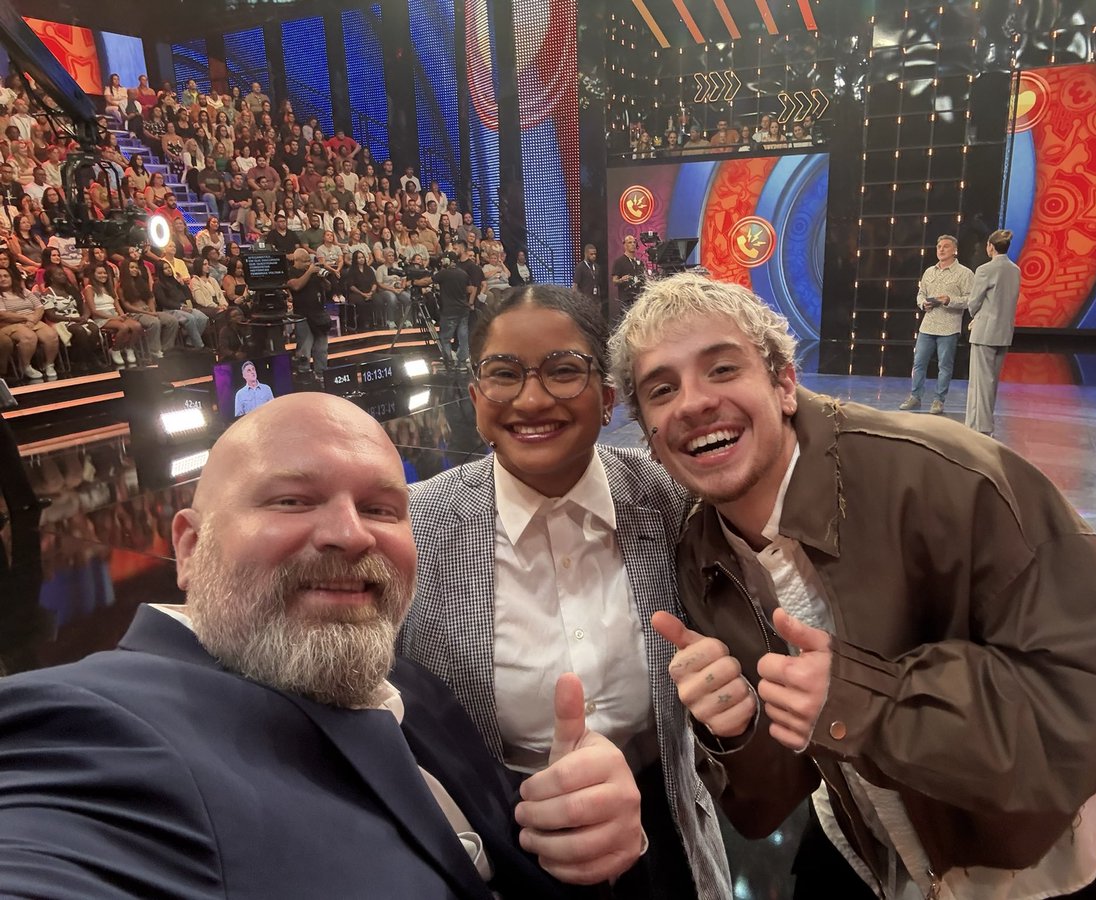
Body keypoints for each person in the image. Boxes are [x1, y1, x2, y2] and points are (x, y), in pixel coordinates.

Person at [607, 272, 1096, 900]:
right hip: (863, 846)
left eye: (721, 369)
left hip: (1020, 868)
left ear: (785, 384)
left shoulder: (952, 479)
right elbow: (769, 803)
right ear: (651, 438)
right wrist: (735, 730)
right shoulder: (702, 553)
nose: (691, 403)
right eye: (662, 389)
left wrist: (863, 702)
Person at [0, 393, 643, 897]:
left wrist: (581, 827)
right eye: (291, 500)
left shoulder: (407, 682)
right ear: (191, 547)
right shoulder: (95, 731)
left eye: (382, 509)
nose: (350, 533)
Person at [402, 286, 731, 899]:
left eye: (563, 372)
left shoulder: (673, 503)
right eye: (503, 374)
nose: (532, 399)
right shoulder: (422, 527)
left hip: (663, 827)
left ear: (607, 398)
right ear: (475, 398)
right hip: (499, 842)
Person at [898, 235, 973, 415]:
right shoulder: (929, 271)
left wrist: (949, 300)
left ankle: (938, 400)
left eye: (945, 247)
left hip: (949, 327)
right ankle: (915, 396)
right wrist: (923, 303)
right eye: (939, 246)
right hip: (928, 325)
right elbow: (920, 293)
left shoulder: (965, 273)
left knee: (944, 366)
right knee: (919, 363)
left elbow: (971, 299)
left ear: (954, 250)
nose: (941, 249)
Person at [966, 229, 1021, 436]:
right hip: (1004, 332)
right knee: (991, 382)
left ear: (991, 246)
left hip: (985, 331)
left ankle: (981, 428)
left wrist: (975, 316)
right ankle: (976, 425)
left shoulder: (985, 270)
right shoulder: (1015, 270)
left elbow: (974, 302)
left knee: (981, 383)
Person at [288, 247, 331, 378]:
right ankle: (304, 375)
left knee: (322, 348)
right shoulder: (292, 271)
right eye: (305, 261)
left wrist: (322, 278)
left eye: (309, 261)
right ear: (297, 261)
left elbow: (328, 288)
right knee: (304, 349)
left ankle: (321, 375)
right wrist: (309, 272)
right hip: (303, 316)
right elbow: (295, 286)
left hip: (319, 315)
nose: (308, 264)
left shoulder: (312, 273)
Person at [432, 239, 474, 371]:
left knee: (445, 338)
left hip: (449, 310)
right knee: (463, 335)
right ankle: (462, 360)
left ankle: (449, 361)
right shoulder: (463, 273)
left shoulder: (444, 273)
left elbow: (430, 280)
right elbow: (470, 289)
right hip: (463, 309)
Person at [611, 235, 644, 310]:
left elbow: (643, 279)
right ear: (625, 245)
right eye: (629, 242)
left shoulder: (639, 262)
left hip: (639, 299)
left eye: (634, 242)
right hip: (626, 299)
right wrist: (621, 280)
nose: (633, 244)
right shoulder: (619, 262)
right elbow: (614, 281)